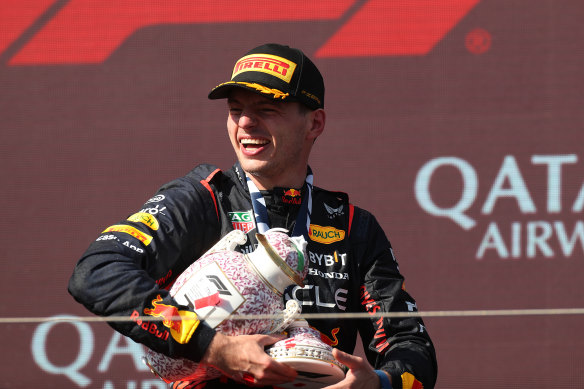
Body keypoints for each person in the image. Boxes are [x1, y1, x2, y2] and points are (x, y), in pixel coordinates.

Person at [69, 43, 437, 389]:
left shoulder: (352, 226)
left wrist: (380, 382)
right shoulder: (201, 201)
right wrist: (216, 349)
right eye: (235, 109)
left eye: (266, 109)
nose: (245, 122)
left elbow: (409, 344)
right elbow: (96, 271)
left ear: (315, 124)